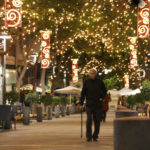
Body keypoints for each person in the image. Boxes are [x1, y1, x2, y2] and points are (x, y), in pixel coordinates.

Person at [80, 68, 107, 142]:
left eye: (93, 73)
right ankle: (88, 136)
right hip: (89, 104)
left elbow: (105, 91)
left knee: (97, 120)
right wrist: (81, 103)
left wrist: (102, 97)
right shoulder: (86, 82)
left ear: (95, 74)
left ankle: (95, 136)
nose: (92, 74)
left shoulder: (100, 82)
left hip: (98, 104)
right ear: (89, 74)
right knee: (89, 120)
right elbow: (83, 93)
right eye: (91, 73)